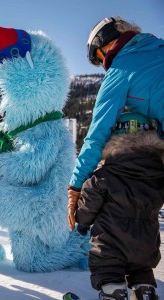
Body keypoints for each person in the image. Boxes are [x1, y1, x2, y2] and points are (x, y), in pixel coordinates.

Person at [68, 16, 164, 231]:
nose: (103, 64)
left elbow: (97, 133)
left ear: (106, 41)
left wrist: (75, 186)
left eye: (99, 56)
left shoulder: (121, 69)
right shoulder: (158, 47)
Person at [75, 112, 164, 300]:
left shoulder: (105, 175)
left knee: (108, 267)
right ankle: (145, 290)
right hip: (146, 242)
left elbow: (89, 201)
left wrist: (82, 222)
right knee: (141, 268)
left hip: (110, 241)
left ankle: (114, 292)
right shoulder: (159, 176)